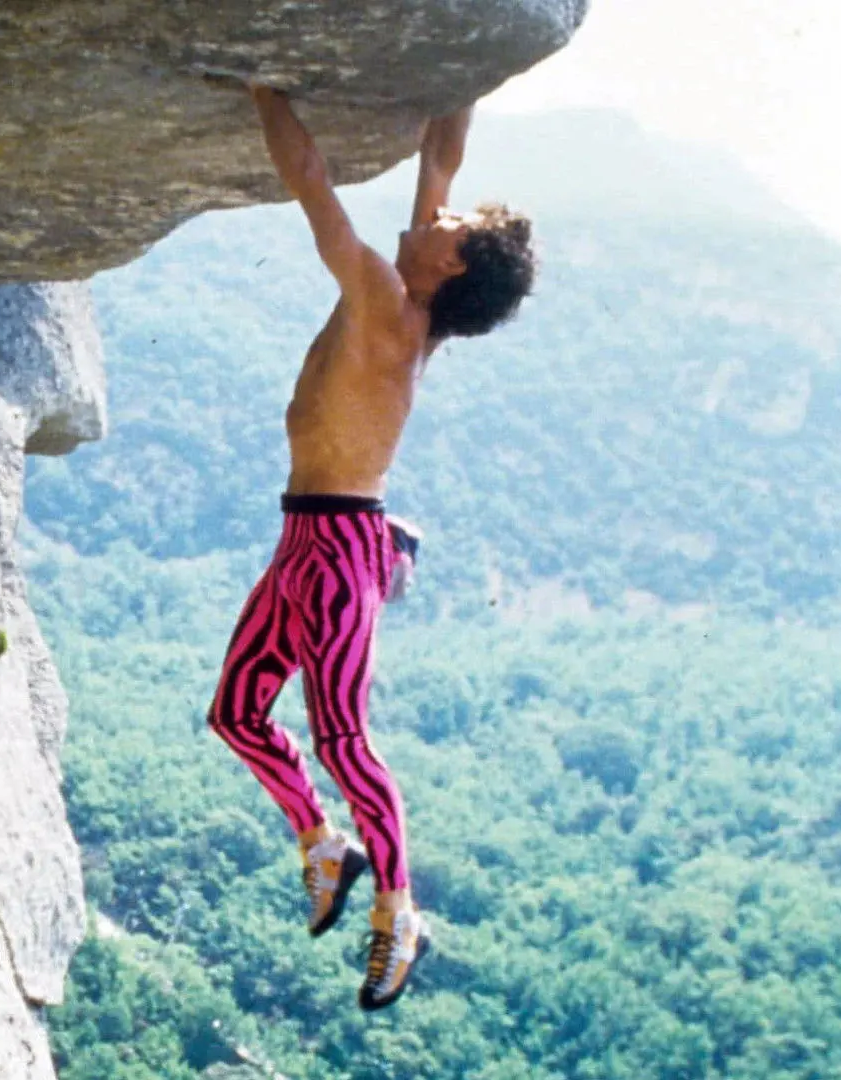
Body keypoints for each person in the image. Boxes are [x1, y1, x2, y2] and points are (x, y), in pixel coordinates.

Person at [206, 84, 537, 1011]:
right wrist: (474, 66)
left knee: (345, 739)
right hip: (303, 534)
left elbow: (311, 183)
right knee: (237, 714)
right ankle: (322, 842)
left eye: (451, 224)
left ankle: (400, 909)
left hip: (342, 550)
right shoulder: (416, 281)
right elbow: (444, 157)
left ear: (452, 262)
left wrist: (258, 77)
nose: (433, 216)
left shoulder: (392, 305)